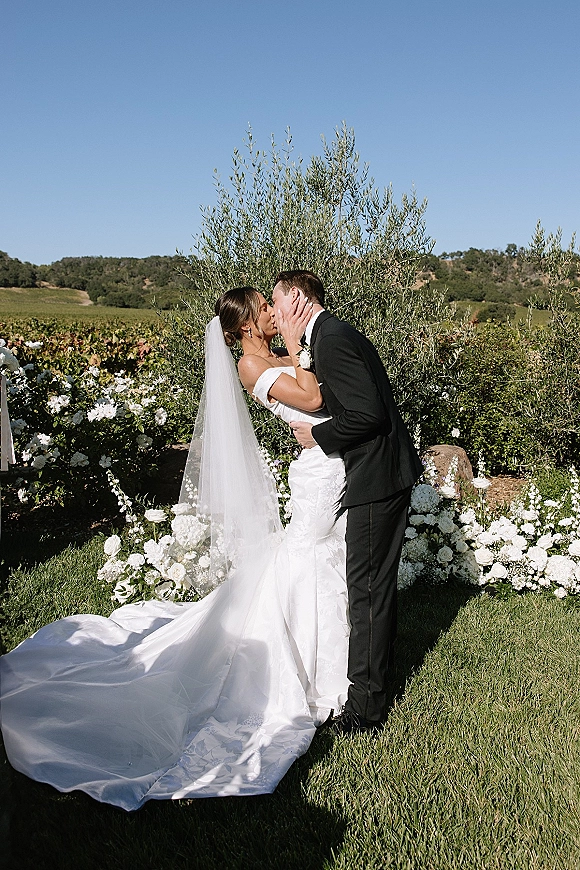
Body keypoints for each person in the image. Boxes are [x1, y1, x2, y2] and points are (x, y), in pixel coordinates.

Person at [0, 288, 350, 810]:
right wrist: (302, 343)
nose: (277, 314)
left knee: (308, 559)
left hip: (324, 467)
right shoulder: (251, 365)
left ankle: (325, 666)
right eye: (266, 307)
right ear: (248, 322)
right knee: (301, 558)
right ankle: (300, 673)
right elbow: (315, 399)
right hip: (316, 475)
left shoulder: (276, 354)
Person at [272, 270, 423, 734]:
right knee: (367, 587)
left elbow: (367, 414)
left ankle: (366, 708)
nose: (276, 320)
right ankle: (369, 690)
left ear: (296, 299)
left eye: (277, 307)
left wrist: (315, 435)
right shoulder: (328, 335)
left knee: (367, 591)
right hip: (375, 472)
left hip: (377, 477)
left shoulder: (332, 338)